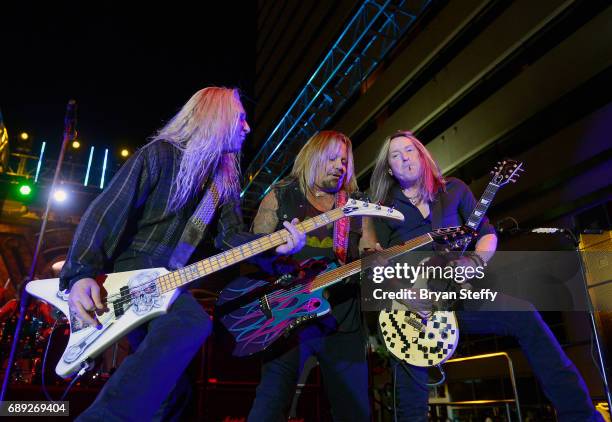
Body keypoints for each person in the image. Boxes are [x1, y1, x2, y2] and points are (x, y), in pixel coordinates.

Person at [59, 87, 305, 421]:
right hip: (134, 268)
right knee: (190, 323)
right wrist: (81, 272)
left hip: (173, 277)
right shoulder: (161, 154)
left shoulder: (224, 182)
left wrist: (275, 245)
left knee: (175, 394)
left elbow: (230, 238)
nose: (248, 128)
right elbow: (108, 211)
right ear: (217, 117)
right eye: (242, 119)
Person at [362, 130, 602, 421]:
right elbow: (376, 263)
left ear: (422, 155)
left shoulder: (454, 190)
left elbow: (486, 233)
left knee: (524, 313)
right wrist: (406, 295)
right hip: (411, 306)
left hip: (458, 296)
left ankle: (581, 416)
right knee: (410, 375)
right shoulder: (383, 208)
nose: (404, 158)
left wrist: (475, 258)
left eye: (409, 150)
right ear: (389, 169)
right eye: (395, 156)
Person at [247, 130, 371, 421]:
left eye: (344, 160)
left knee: (354, 412)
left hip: (342, 322)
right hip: (288, 319)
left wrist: (377, 259)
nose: (340, 165)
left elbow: (368, 251)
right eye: (332, 158)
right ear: (313, 156)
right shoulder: (281, 194)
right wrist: (278, 251)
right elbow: (249, 252)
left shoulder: (354, 203)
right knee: (269, 405)